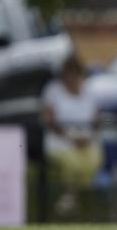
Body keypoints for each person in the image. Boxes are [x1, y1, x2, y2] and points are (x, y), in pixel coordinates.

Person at [41, 54, 103, 215]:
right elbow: (49, 120)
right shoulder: (53, 90)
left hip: (87, 140)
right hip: (60, 140)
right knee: (72, 162)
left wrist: (87, 138)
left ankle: (79, 200)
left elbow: (97, 120)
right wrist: (70, 137)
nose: (72, 78)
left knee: (93, 160)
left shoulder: (90, 91)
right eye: (69, 73)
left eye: (76, 73)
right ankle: (72, 197)